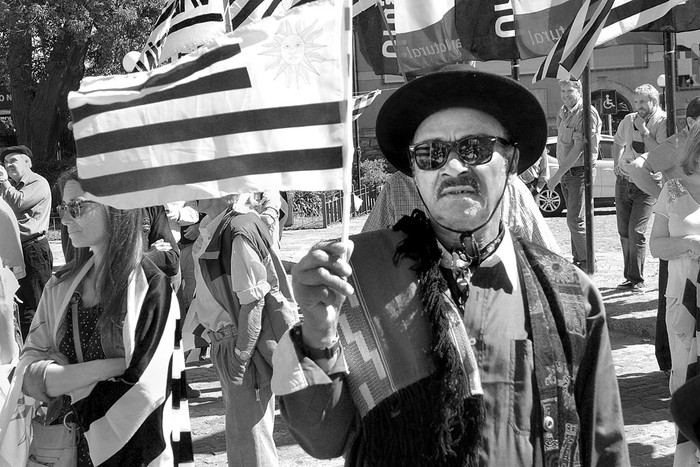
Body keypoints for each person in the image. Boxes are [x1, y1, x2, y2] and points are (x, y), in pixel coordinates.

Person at [272, 65, 628, 465]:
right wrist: (318, 335)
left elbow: (604, 447)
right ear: (414, 173)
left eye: (475, 148)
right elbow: (323, 440)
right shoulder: (358, 281)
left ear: (510, 161)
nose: (453, 167)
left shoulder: (571, 296)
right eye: (431, 153)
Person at [16, 168, 192, 466]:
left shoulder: (150, 288)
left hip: (132, 455)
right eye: (63, 208)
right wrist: (111, 367)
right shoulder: (59, 287)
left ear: (116, 209)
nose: (67, 219)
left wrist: (64, 380)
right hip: (65, 450)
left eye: (77, 207)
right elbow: (26, 373)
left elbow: (147, 392)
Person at [186, 194, 297, 466]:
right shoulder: (224, 227)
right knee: (246, 439)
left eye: (203, 183)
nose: (194, 191)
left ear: (227, 191)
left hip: (239, 344)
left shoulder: (235, 230)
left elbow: (253, 300)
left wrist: (240, 355)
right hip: (232, 343)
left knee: (250, 444)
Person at [626, 96, 700, 374]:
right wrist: (667, 201)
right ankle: (670, 363)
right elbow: (635, 168)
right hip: (679, 248)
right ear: (691, 123)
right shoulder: (680, 141)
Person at [649, 123, 700, 466]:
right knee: (685, 380)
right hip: (684, 298)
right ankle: (685, 457)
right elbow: (655, 246)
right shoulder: (674, 189)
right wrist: (687, 245)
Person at [362, 169, 561, 253]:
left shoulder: (509, 187)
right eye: (433, 148)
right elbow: (364, 260)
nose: (453, 163)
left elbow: (552, 267)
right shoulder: (399, 186)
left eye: (471, 146)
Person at [613, 84, 667, 291]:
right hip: (624, 181)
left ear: (654, 101)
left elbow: (662, 153)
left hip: (646, 183)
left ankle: (637, 279)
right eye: (636, 102)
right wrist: (616, 162)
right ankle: (630, 276)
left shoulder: (662, 121)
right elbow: (617, 141)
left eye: (643, 101)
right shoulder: (628, 120)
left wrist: (644, 131)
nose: (638, 106)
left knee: (636, 231)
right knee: (623, 231)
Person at [547, 79, 602, 273]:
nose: (565, 95)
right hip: (567, 173)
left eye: (569, 90)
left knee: (575, 220)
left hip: (580, 172)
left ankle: (588, 263)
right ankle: (579, 261)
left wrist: (555, 176)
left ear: (579, 91)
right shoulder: (563, 112)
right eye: (562, 91)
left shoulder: (586, 113)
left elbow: (578, 149)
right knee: (573, 221)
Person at [0, 145, 52, 338]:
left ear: (28, 162)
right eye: (5, 162)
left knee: (40, 302)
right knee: (23, 305)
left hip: (33, 249)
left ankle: (50, 344)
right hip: (16, 250)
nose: (8, 165)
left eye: (13, 160)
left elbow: (18, 203)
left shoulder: (38, 182)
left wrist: (5, 183)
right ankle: (31, 347)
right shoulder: (9, 187)